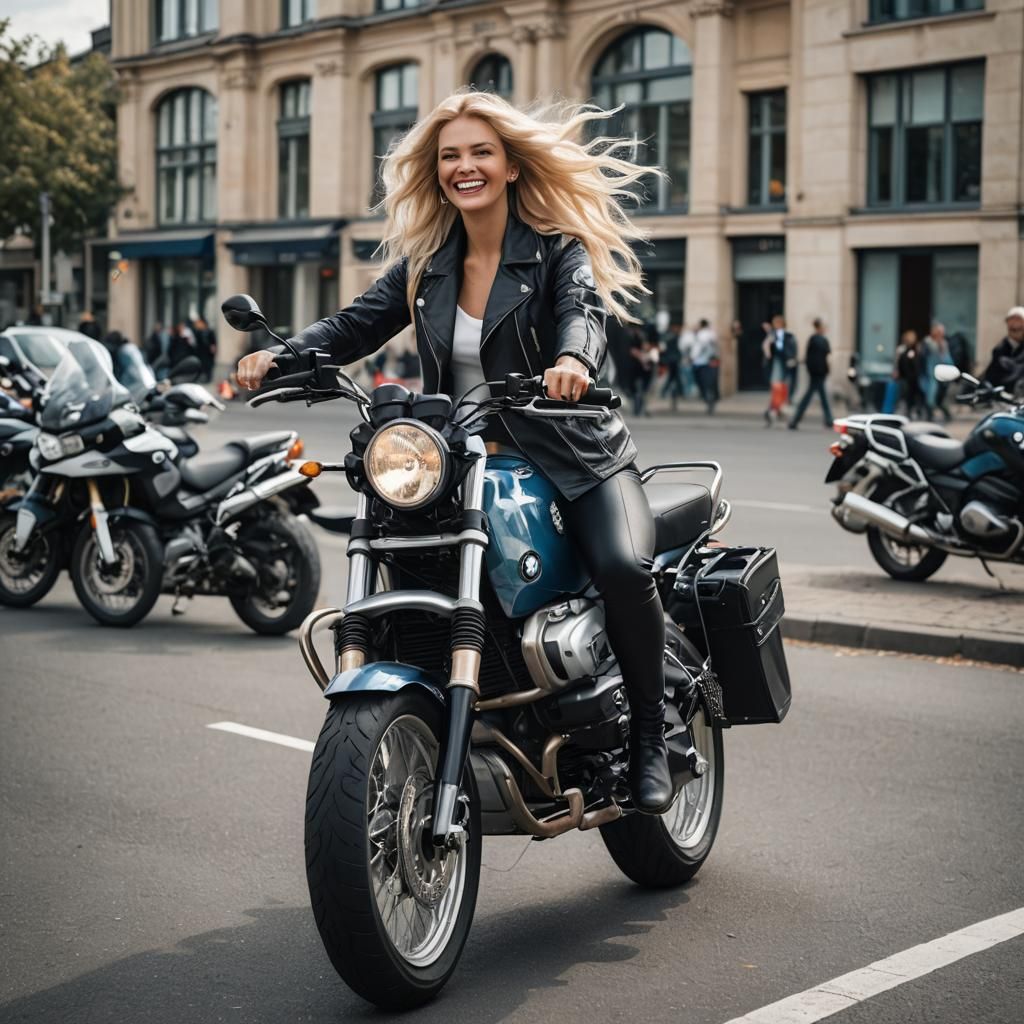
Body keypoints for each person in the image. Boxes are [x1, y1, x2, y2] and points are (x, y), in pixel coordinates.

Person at [236, 91, 675, 812]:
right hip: (463, 465)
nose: (463, 166)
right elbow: (354, 326)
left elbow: (581, 314)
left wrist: (574, 360)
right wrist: (283, 356)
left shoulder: (556, 249)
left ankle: (649, 740)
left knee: (625, 567)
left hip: (575, 457)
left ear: (508, 167)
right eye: (449, 156)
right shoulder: (427, 266)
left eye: (479, 152)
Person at [788, 318, 833, 429]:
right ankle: (795, 420)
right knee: (811, 396)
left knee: (820, 396)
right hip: (818, 372)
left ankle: (828, 419)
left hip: (816, 371)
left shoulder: (814, 339)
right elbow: (826, 352)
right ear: (819, 327)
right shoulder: (819, 339)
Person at [762, 314, 796, 426]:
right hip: (777, 364)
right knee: (777, 389)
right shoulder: (774, 336)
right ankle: (772, 410)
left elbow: (790, 349)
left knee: (781, 389)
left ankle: (774, 410)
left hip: (783, 364)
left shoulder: (787, 336)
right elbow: (767, 348)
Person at [982, 306, 1024, 391]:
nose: (1015, 324)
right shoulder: (999, 349)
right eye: (1012, 320)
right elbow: (991, 376)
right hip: (1002, 399)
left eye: (1019, 320)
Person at [922, 322, 954, 423]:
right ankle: (929, 415)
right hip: (930, 374)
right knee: (930, 396)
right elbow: (922, 359)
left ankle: (946, 414)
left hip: (942, 374)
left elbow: (948, 359)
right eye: (939, 332)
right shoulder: (927, 343)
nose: (940, 334)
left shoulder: (944, 343)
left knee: (941, 397)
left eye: (942, 332)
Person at [688, 319, 718, 414]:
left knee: (702, 383)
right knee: (708, 383)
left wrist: (692, 357)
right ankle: (709, 399)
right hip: (707, 362)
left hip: (701, 362)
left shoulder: (703, 334)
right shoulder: (711, 334)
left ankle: (707, 398)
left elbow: (697, 347)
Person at [894, 329, 927, 419]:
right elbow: (901, 363)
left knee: (915, 395)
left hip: (913, 377)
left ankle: (915, 411)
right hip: (907, 377)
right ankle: (909, 411)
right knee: (908, 395)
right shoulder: (904, 350)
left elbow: (918, 363)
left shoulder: (916, 350)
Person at [629, 327, 658, 416]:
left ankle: (641, 410)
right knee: (639, 392)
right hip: (639, 371)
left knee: (644, 392)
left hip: (646, 372)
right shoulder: (635, 341)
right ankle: (638, 410)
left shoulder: (651, 349)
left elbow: (654, 359)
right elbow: (633, 351)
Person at [192, 316, 217, 382]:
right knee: (199, 365)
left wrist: (213, 348)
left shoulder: (210, 331)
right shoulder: (197, 332)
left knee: (208, 366)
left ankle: (208, 379)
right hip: (200, 352)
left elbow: (213, 342)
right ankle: (198, 378)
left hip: (208, 353)